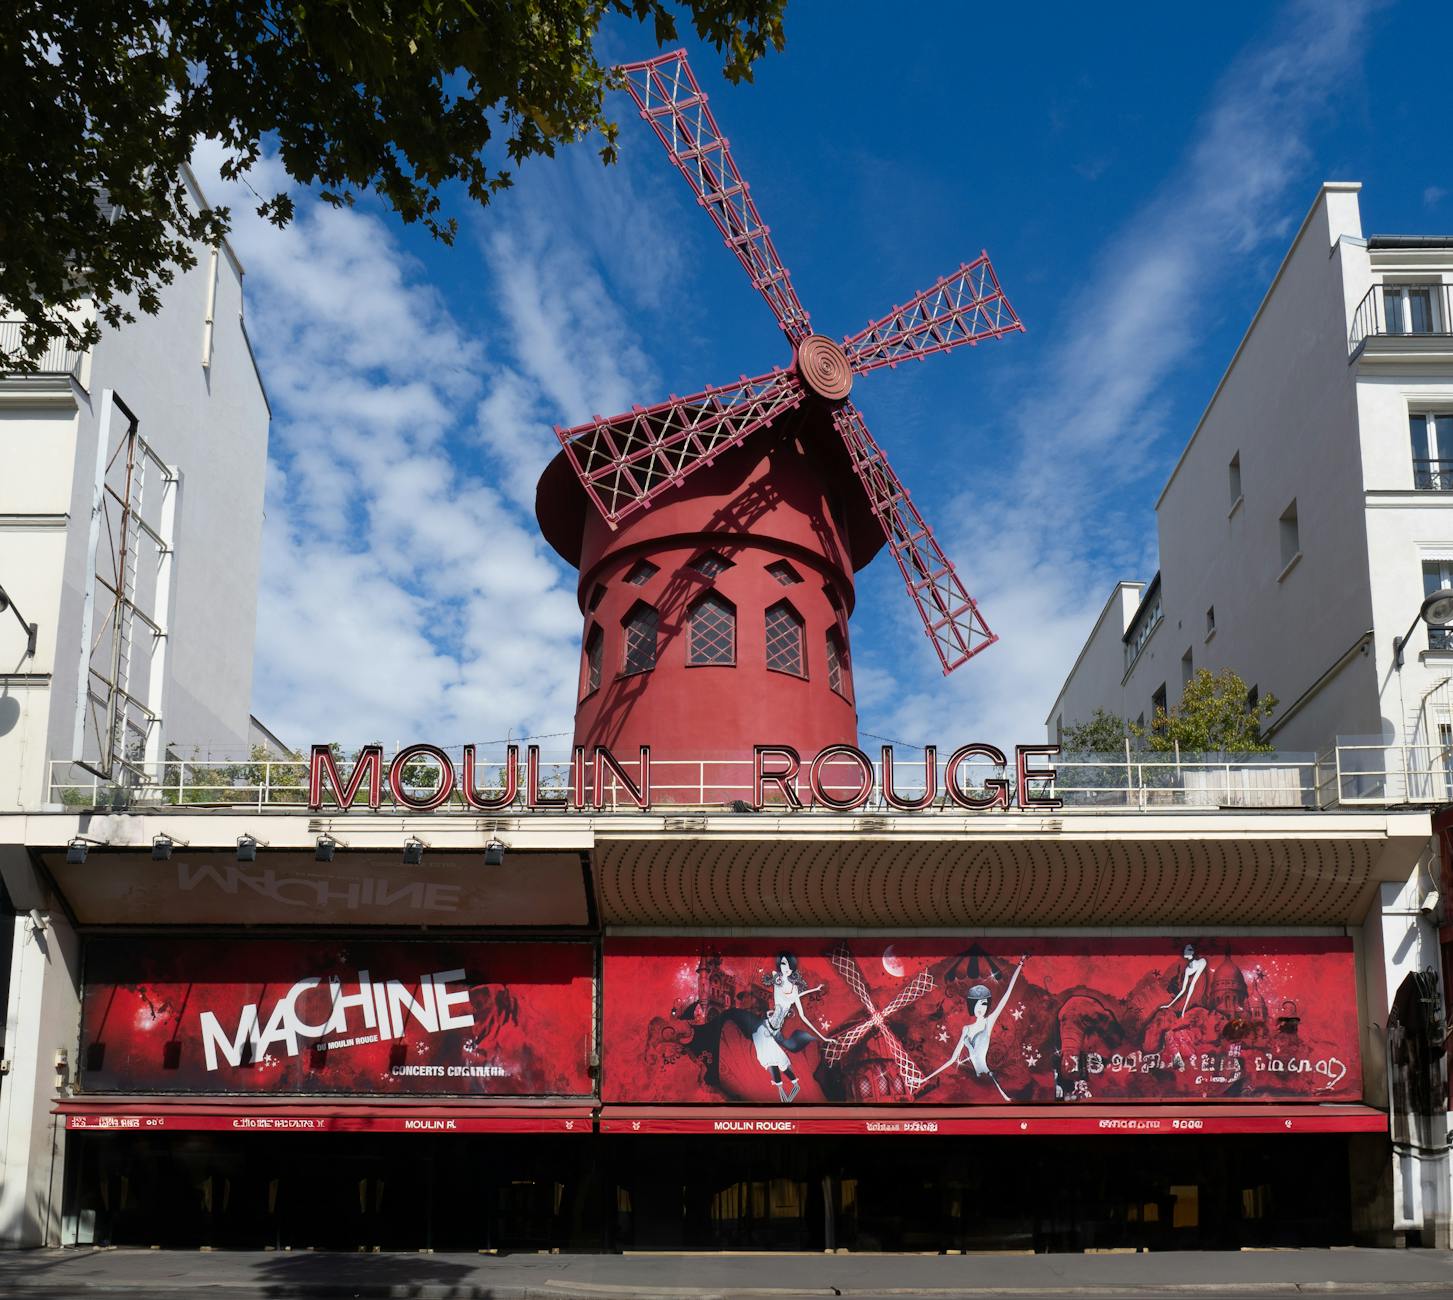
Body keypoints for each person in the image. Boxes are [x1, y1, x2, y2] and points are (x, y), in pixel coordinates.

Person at [923, 956, 1027, 1099]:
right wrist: (925, 1078)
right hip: (977, 1082)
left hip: (988, 1078)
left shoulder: (988, 1022)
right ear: (972, 1005)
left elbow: (1007, 994)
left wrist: (1020, 964)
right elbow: (952, 1060)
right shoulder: (967, 1029)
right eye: (977, 1003)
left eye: (984, 1003)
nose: (980, 1007)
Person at [740, 952, 834, 1102]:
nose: (786, 967)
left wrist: (823, 1037)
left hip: (771, 1030)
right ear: (780, 966)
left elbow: (803, 1016)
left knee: (774, 1060)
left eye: (789, 965)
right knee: (772, 1060)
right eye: (783, 964)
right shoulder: (777, 982)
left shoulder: (795, 990)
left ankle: (789, 1090)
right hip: (767, 1028)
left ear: (793, 968)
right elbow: (775, 998)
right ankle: (786, 1092)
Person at [1160, 944, 1208, 1017]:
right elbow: (1183, 990)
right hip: (1193, 991)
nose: (1185, 952)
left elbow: (1193, 984)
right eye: (1185, 950)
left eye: (1188, 950)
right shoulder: (1187, 970)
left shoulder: (1202, 962)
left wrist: (1183, 1009)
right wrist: (1168, 1005)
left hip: (1199, 992)